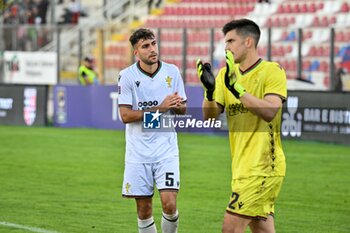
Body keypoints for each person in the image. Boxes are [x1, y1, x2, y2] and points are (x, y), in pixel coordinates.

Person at [196, 18, 287, 233]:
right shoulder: (225, 76)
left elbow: (269, 111)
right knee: (262, 229)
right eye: (225, 42)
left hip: (264, 167)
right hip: (241, 168)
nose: (226, 47)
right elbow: (209, 117)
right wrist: (209, 92)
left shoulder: (272, 71)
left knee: (230, 227)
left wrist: (237, 89)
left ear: (248, 42)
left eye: (230, 41)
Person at [118, 28, 187, 233]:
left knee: (170, 205)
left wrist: (175, 105)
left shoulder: (172, 71)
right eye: (145, 46)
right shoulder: (127, 76)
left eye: (153, 44)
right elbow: (126, 116)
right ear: (136, 53)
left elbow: (182, 109)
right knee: (144, 209)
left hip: (166, 150)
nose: (152, 49)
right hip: (138, 152)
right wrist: (161, 108)